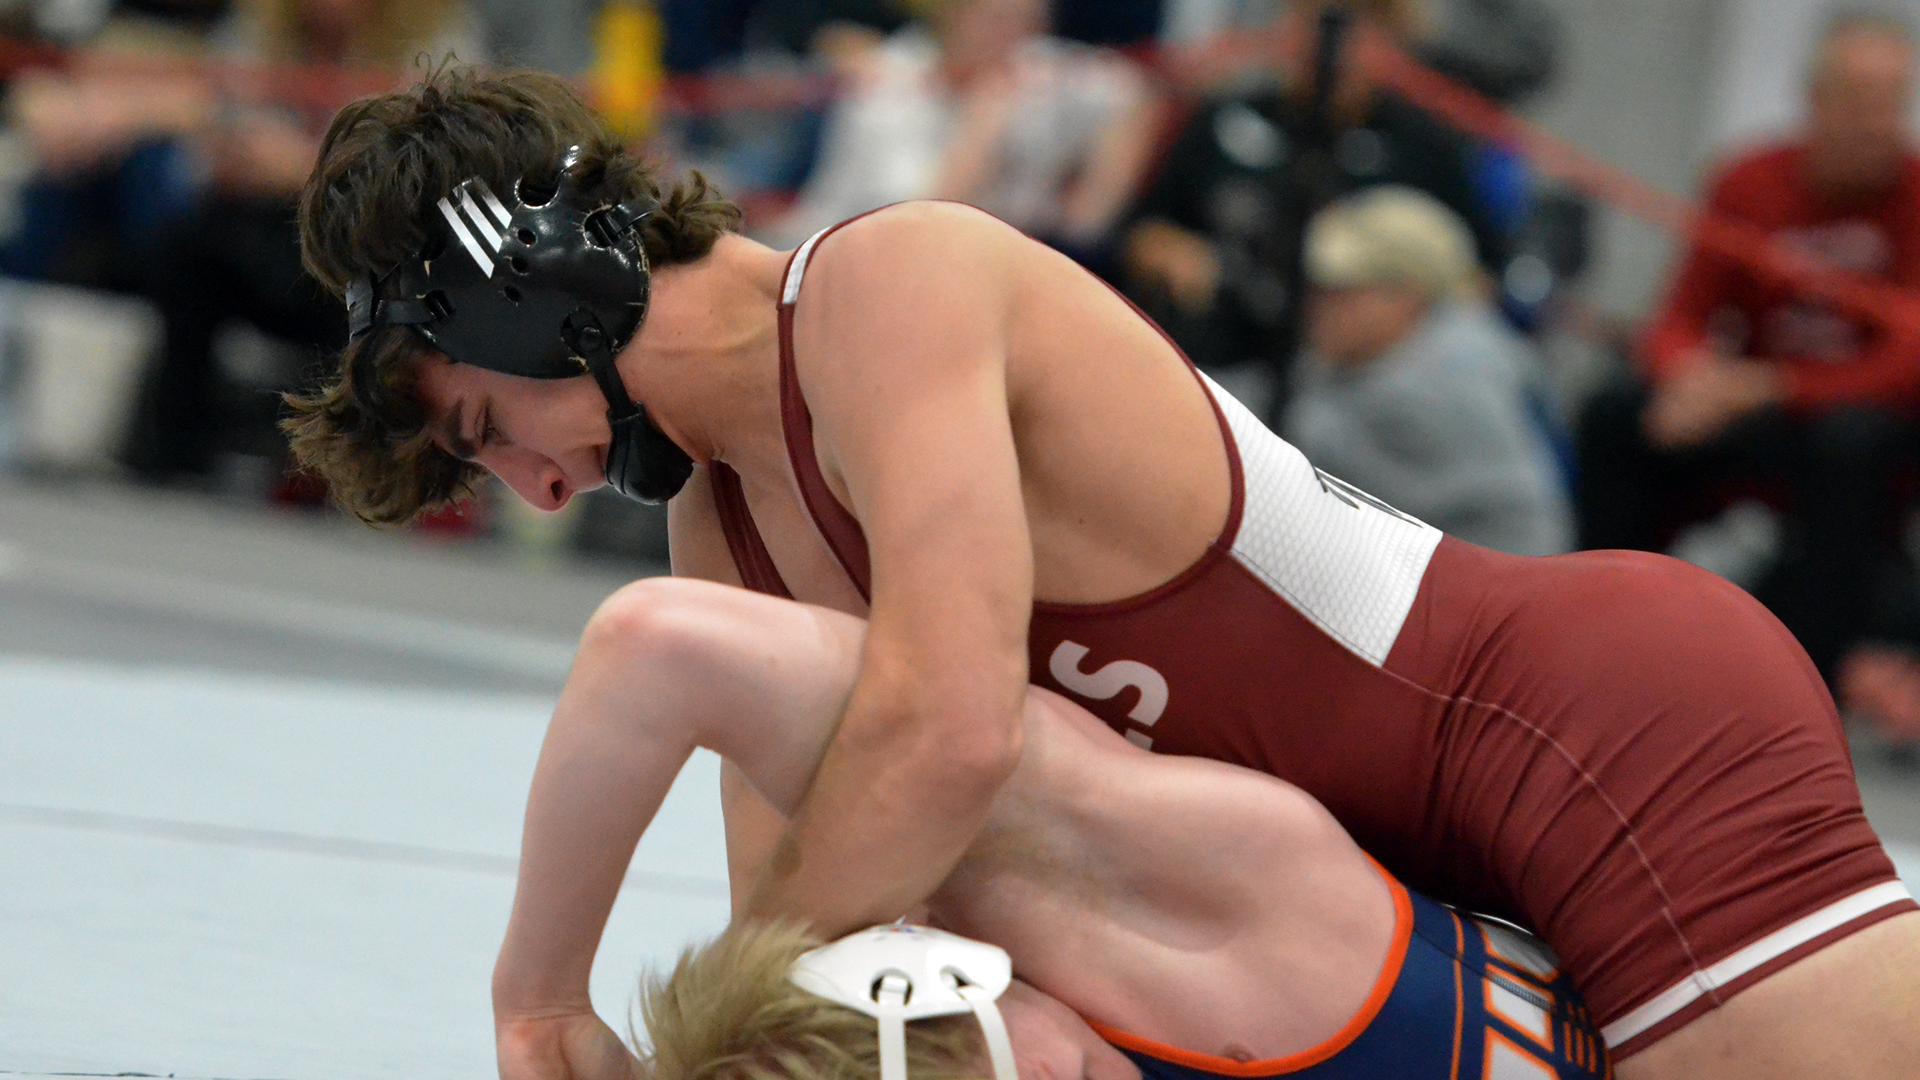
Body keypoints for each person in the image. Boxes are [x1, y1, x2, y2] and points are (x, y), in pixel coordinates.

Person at [286, 68, 1919, 1077]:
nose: (524, 485)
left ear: (533, 299)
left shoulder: (890, 285)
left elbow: (945, 746)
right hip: (1356, 892)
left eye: (484, 425)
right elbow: (833, 947)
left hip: (1596, 734)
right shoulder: (727, 523)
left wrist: (603, 1012)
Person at [495, 575, 1608, 1080]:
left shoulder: (1188, 918)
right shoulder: (1049, 991)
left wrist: (536, 1009)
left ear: (949, 955)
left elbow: (658, 645)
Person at [1576, 12, 1920, 721]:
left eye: (1890, 103)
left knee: (1853, 442)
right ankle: (1594, 637)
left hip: (1852, 424)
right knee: (1617, 409)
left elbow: (1906, 359)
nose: (1873, 122)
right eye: (1857, 100)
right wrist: (1686, 377)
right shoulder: (1750, 180)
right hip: (1755, 403)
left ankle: (1809, 697)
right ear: (1815, 100)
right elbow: (1680, 312)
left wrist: (1778, 385)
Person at [1122, 0, 1503, 382]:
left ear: (1394, 41)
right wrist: (1170, 249)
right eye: (1313, 17)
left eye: (1364, 25)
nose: (1332, 44)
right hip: (1211, 353)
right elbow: (1139, 228)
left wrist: (1404, 308)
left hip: (1357, 380)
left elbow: (1479, 278)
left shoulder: (1425, 149)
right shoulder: (1228, 118)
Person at [1283, 186, 1571, 556]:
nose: (1318, 305)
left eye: (1345, 290)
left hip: (1476, 589)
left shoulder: (1437, 383)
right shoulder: (1405, 345)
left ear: (1407, 296)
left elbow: (1287, 449)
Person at [759, 0, 1158, 261]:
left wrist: (1078, 234)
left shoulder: (1036, 69)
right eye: (996, 20)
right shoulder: (890, 83)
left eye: (1028, 23)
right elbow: (922, 225)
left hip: (1001, 263)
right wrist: (982, 129)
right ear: (955, 16)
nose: (1012, 40)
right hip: (855, 253)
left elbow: (1134, 94)